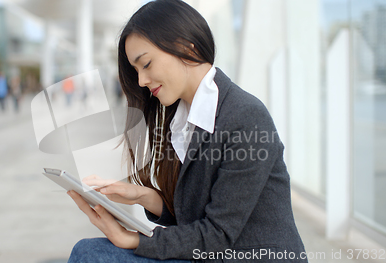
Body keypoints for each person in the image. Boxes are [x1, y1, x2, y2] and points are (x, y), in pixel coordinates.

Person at [67, 0, 307, 262]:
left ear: (185, 46)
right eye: (136, 70)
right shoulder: (182, 118)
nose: (141, 81)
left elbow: (217, 235)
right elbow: (196, 216)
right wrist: (144, 197)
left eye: (145, 64)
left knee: (90, 254)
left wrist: (132, 239)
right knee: (89, 251)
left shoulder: (245, 117)